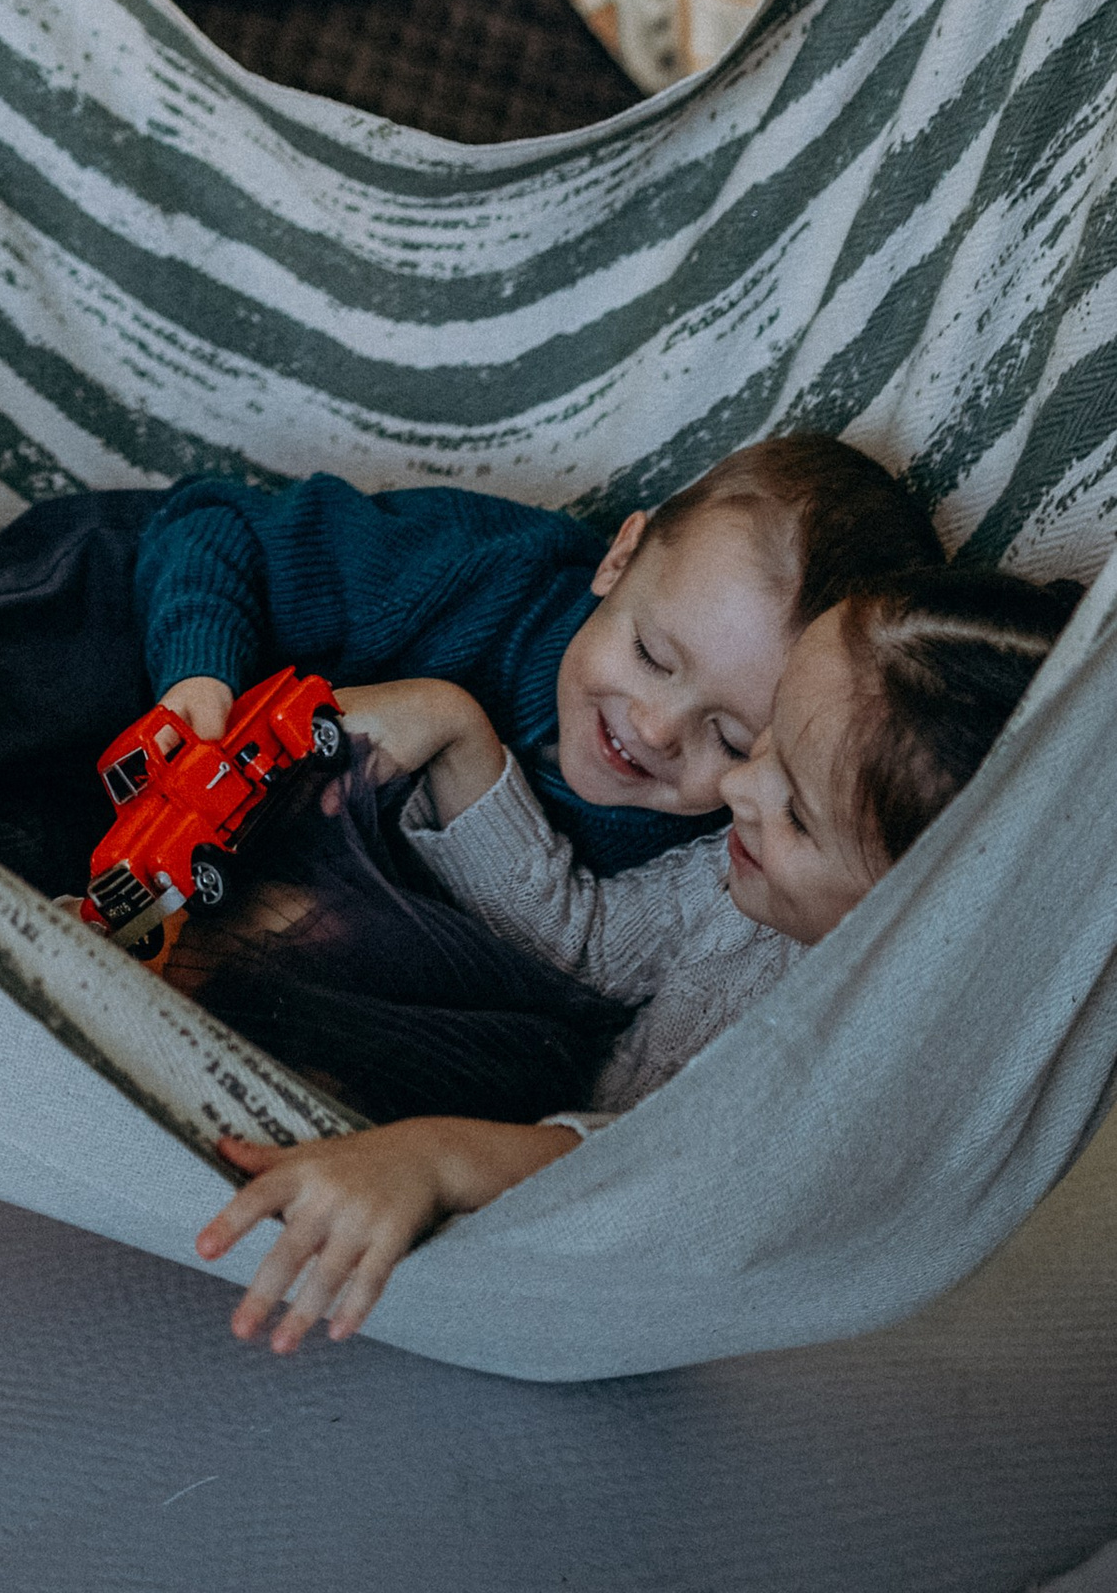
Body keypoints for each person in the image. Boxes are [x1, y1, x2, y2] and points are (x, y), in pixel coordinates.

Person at [195, 559, 1082, 1351]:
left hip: (569, 1283)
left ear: (923, 910)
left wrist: (432, 1160)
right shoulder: (740, 883)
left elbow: (667, 1190)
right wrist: (458, 737)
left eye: (798, 813)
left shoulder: (868, 1073)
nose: (737, 787)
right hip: (524, 1119)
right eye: (765, 739)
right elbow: (587, 947)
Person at [0, 431, 941, 893]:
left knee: (0, 874)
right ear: (618, 560)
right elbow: (213, 523)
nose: (656, 729)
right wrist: (196, 679)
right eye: (650, 654)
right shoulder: (474, 569)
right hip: (141, 613)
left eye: (732, 738)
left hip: (199, 834)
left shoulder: (705, 857)